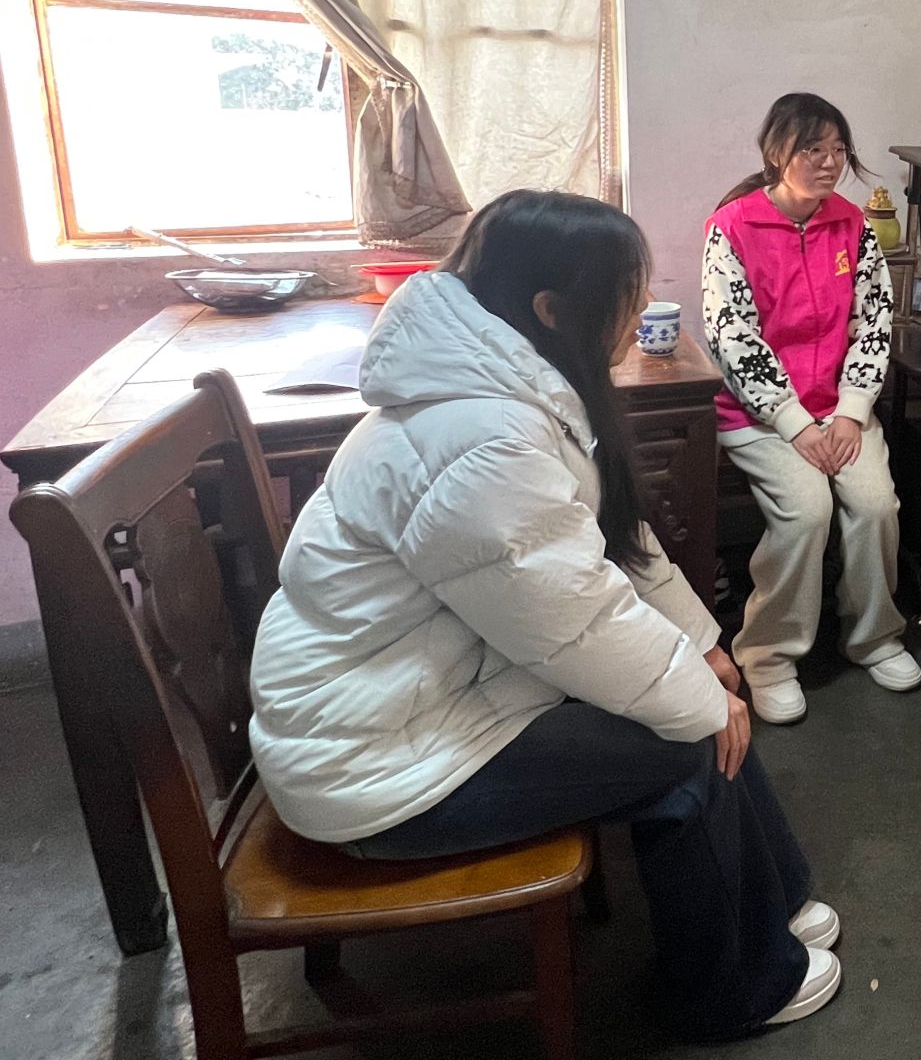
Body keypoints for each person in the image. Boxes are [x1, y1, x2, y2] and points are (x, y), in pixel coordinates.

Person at [248, 191, 840, 1039]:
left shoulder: (506, 385)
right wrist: (699, 698)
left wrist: (703, 645)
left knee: (704, 694)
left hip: (415, 702)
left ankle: (771, 903)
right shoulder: (481, 438)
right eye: (627, 296)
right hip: (373, 763)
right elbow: (573, 616)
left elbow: (609, 542)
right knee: (689, 745)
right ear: (553, 310)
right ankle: (731, 992)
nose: (643, 312)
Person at [704, 93, 918, 724]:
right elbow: (731, 337)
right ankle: (768, 656)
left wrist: (851, 411)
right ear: (777, 152)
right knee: (806, 512)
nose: (830, 162)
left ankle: (874, 636)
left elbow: (874, 323)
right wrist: (794, 423)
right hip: (762, 416)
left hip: (842, 411)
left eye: (838, 149)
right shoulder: (732, 227)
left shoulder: (853, 226)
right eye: (813, 149)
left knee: (876, 506)